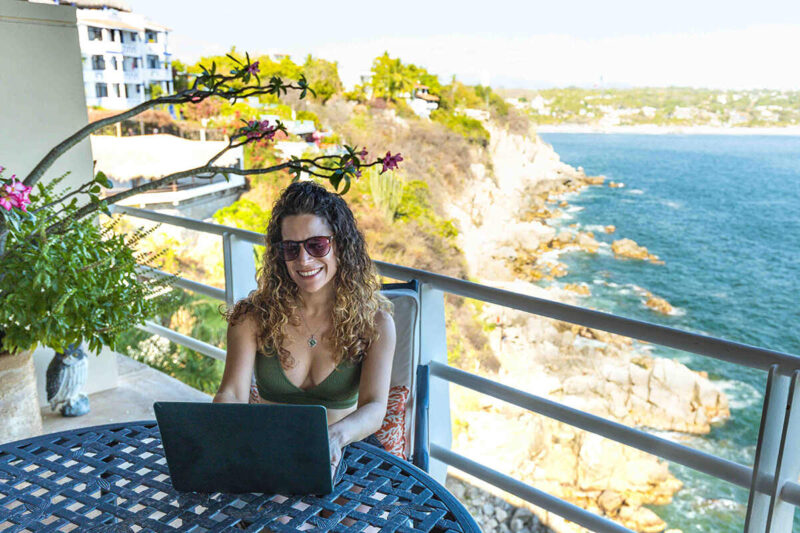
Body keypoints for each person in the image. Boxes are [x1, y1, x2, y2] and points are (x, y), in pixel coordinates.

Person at [213, 180, 397, 482]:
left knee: (362, 527)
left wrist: (334, 438)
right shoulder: (252, 318)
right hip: (273, 447)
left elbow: (375, 407)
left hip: (349, 445)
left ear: (340, 244)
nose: (304, 260)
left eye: (317, 245)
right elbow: (231, 393)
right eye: (291, 248)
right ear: (278, 254)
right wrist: (226, 425)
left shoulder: (374, 322)